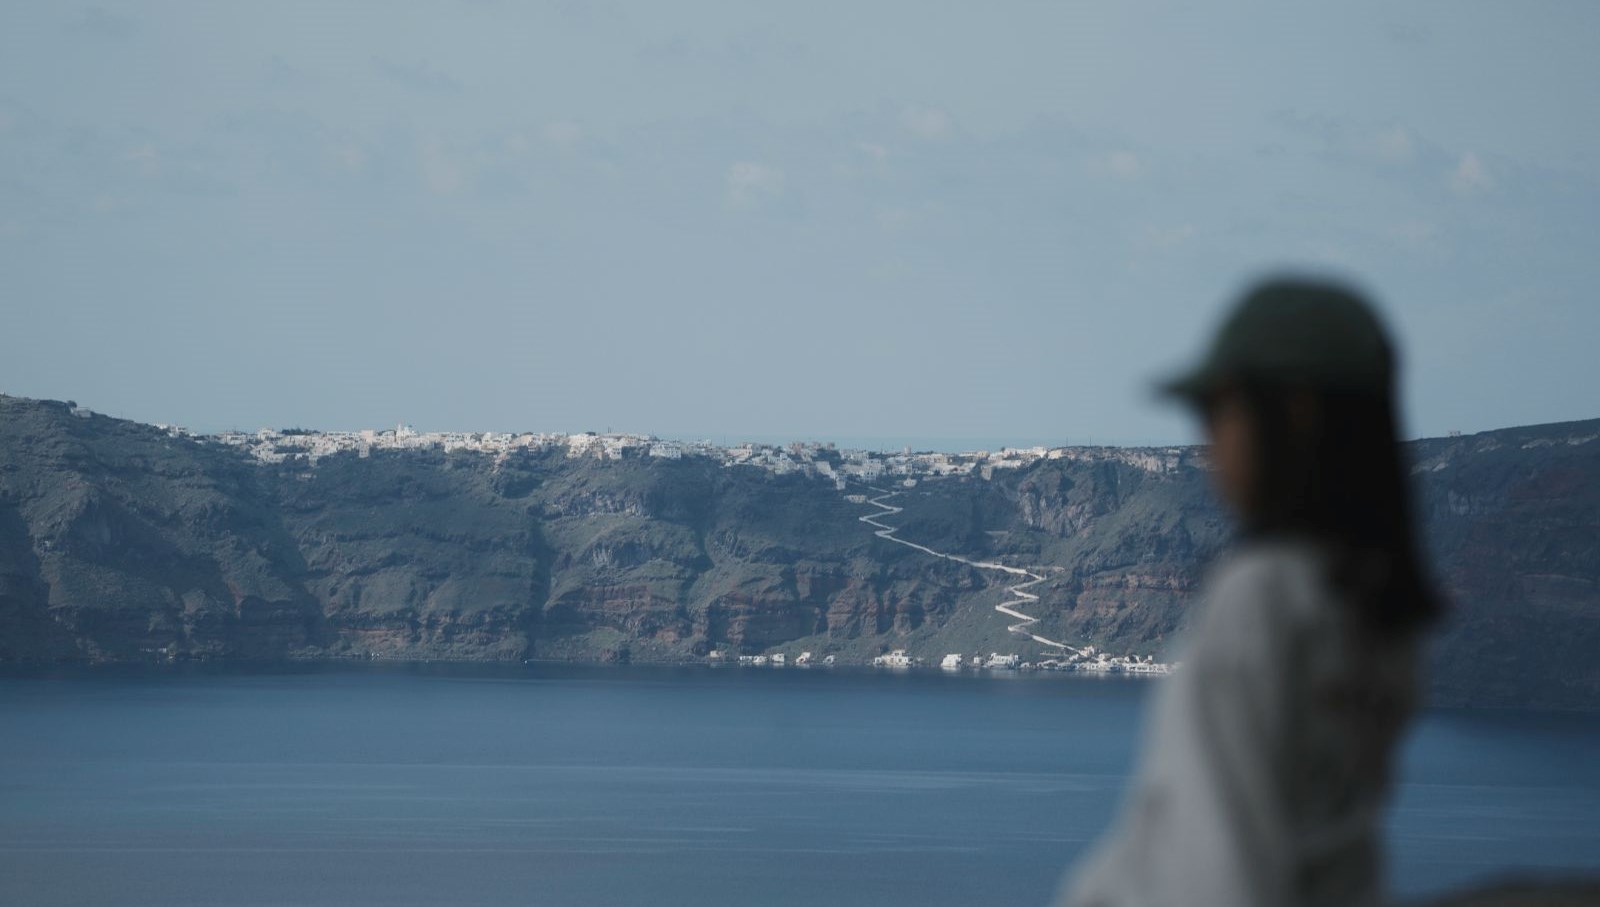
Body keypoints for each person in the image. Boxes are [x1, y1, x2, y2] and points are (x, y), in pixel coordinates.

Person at [1056, 277, 1443, 907]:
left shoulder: (1261, 596)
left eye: (1219, 411)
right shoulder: (1380, 610)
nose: (1208, 443)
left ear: (1293, 412)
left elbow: (1219, 859)